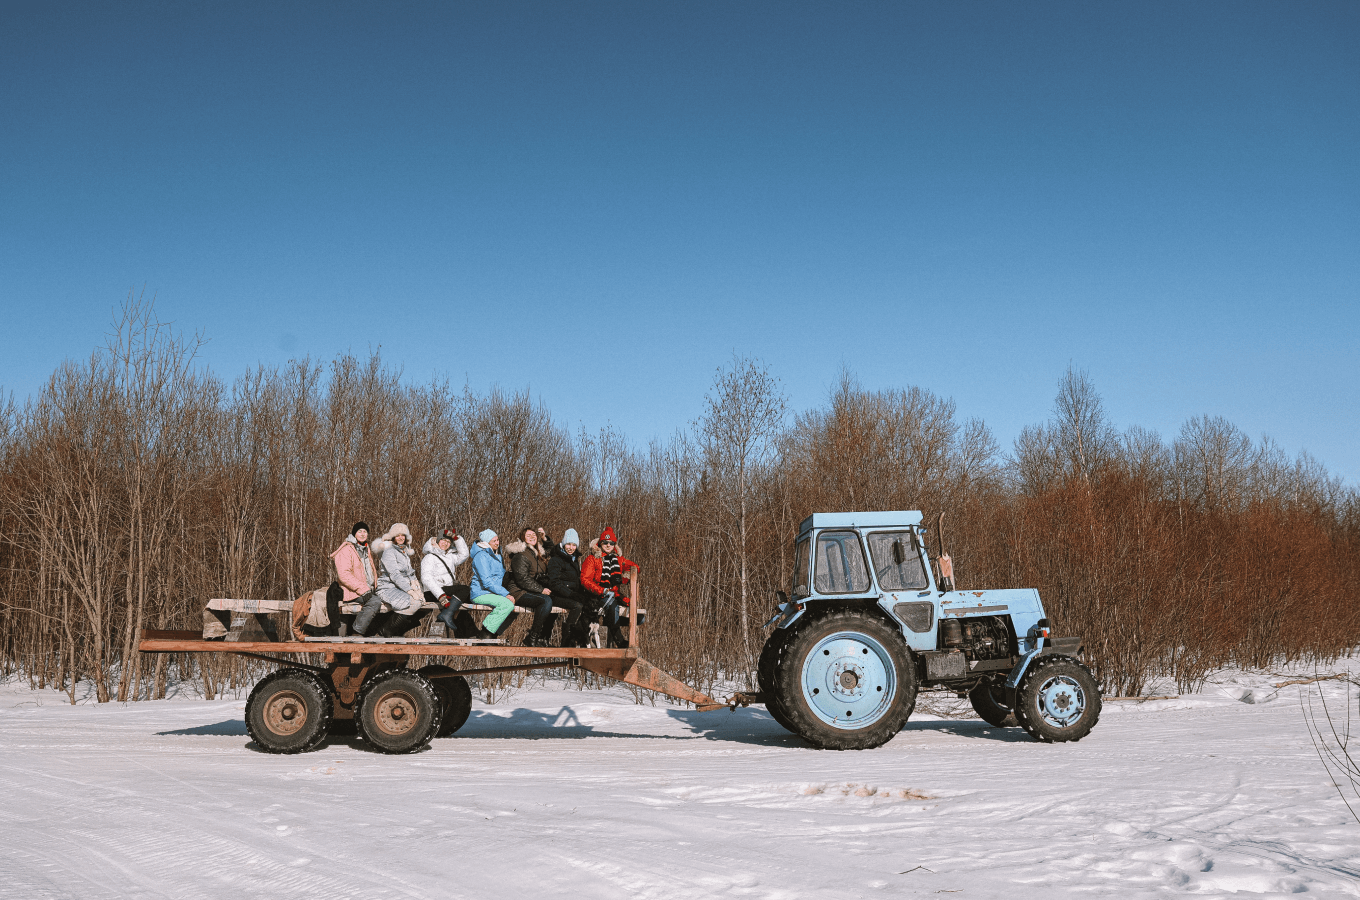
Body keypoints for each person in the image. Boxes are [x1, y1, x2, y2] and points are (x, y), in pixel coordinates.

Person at [354, 523, 428, 637]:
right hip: (387, 588)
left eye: (403, 535)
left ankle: (394, 630)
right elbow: (394, 575)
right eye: (397, 535)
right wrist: (410, 591)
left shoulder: (404, 552)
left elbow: (410, 574)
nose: (400, 537)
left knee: (422, 602)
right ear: (393, 537)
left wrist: (417, 590)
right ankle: (386, 629)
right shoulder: (389, 551)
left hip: (400, 587)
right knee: (413, 602)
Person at [580, 526, 640, 648]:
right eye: (605, 542)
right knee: (613, 606)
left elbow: (636, 567)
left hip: (613, 594)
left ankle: (613, 635)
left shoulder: (618, 560)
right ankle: (618, 640)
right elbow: (585, 579)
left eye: (611, 543)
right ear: (600, 543)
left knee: (639, 616)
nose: (608, 545)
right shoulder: (593, 559)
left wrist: (625, 577)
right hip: (595, 595)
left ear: (614, 545)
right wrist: (602, 590)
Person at [504, 526, 562, 647]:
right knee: (546, 601)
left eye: (534, 535)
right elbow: (522, 579)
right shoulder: (520, 555)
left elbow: (553, 551)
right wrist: (541, 590)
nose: (532, 537)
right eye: (528, 535)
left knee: (557, 600)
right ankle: (533, 637)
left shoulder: (537, 554)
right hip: (518, 591)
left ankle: (543, 638)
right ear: (523, 539)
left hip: (530, 590)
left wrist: (545, 538)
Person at [420, 527, 477, 637]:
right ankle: (448, 616)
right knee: (465, 589)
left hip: (446, 590)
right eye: (443, 540)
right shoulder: (429, 557)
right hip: (433, 592)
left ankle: (463, 633)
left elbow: (464, 555)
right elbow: (426, 579)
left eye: (448, 541)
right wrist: (441, 595)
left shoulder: (449, 556)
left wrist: (456, 538)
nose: (445, 543)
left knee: (467, 598)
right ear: (437, 540)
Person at [323, 521, 377, 636]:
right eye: (359, 531)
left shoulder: (365, 550)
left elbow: (369, 573)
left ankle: (376, 636)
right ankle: (357, 632)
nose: (362, 534)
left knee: (386, 603)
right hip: (351, 591)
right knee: (375, 602)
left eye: (365, 531)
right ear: (354, 534)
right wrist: (363, 590)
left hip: (366, 589)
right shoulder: (346, 550)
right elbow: (344, 575)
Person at [545, 527, 592, 648]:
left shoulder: (574, 559)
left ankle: (583, 639)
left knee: (587, 604)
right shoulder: (556, 559)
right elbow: (554, 583)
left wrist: (583, 593)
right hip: (556, 594)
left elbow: (575, 580)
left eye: (574, 545)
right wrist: (571, 594)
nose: (571, 548)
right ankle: (566, 641)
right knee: (577, 606)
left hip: (569, 594)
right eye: (569, 544)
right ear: (564, 544)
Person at [468, 529, 519, 639]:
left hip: (493, 593)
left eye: (497, 540)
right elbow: (487, 582)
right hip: (480, 593)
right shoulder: (481, 556)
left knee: (514, 609)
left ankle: (493, 634)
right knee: (507, 604)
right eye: (494, 541)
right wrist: (506, 594)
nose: (497, 543)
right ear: (486, 543)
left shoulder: (497, 555)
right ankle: (486, 631)